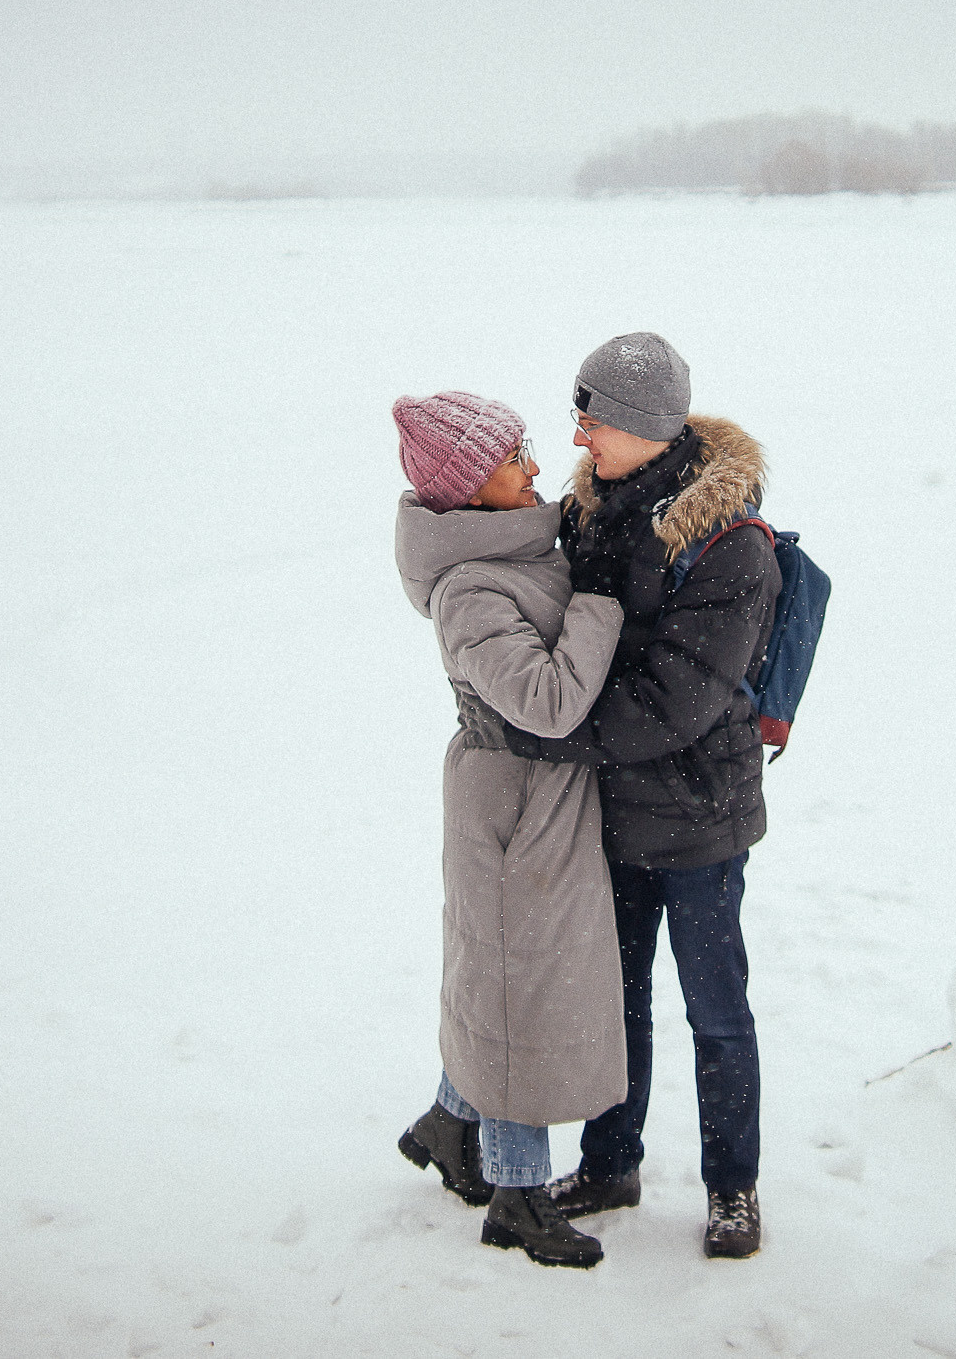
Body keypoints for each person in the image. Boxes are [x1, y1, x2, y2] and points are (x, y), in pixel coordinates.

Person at [502, 333, 781, 1260]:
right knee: (613, 1000)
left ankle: (731, 1187)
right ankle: (611, 1159)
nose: (577, 438)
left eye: (591, 419)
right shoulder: (591, 514)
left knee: (716, 1009)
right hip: (614, 811)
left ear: (642, 425)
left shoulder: (729, 544)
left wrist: (541, 728)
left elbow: (675, 699)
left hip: (701, 817)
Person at [390, 390, 629, 1270]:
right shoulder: (469, 588)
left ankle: (449, 1124)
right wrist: (601, 604)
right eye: (514, 456)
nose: (534, 465)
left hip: (538, 798)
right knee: (517, 988)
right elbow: (550, 701)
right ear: (465, 489)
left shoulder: (517, 544)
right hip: (513, 803)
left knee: (499, 975)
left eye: (528, 445)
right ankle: (518, 1198)